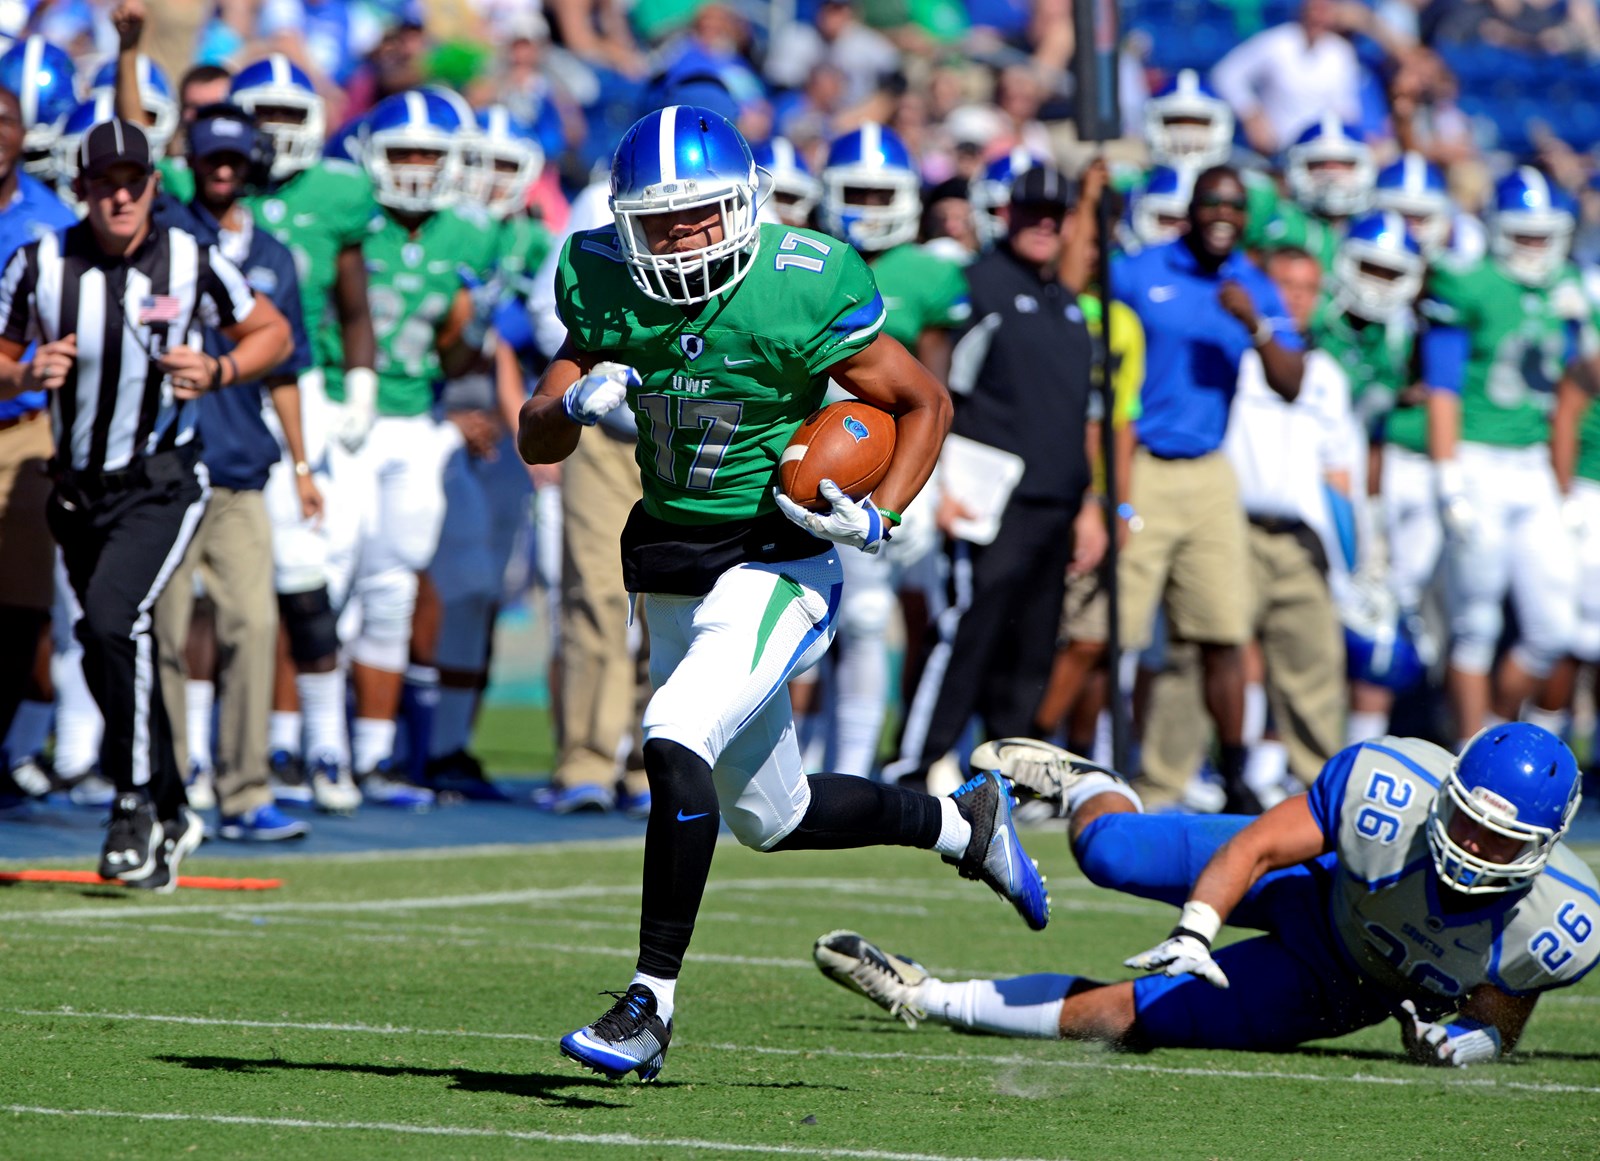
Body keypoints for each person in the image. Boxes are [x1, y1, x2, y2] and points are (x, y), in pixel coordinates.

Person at [519, 104, 1050, 1083]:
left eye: (701, 215)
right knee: (772, 815)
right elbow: (535, 431)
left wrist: (881, 514)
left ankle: (650, 1005)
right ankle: (961, 823)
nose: (680, 238)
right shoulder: (599, 275)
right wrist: (568, 406)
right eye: (660, 220)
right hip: (671, 564)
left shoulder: (798, 284)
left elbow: (921, 399)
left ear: (747, 207)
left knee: (673, 733)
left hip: (774, 557)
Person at [816, 725, 1596, 1063]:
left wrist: (1471, 1043)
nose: (1471, 844)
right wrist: (1197, 928)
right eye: (1464, 819)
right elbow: (1256, 846)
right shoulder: (1386, 787)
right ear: (1447, 792)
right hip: (1312, 882)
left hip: (1342, 983)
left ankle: (927, 993)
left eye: (1501, 839)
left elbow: (1504, 1006)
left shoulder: (1563, 921)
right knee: (1109, 850)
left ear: (1547, 843)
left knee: (1119, 1018)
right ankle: (1095, 784)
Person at [0, 118, 292, 888]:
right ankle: (172, 803)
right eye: (104, 183)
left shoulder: (192, 258)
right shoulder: (40, 262)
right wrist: (26, 374)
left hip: (162, 479)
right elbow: (0, 354)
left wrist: (222, 368)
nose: (120, 196)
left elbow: (273, 332)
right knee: (107, 650)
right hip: (76, 486)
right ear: (82, 190)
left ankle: (131, 805)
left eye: (134, 182)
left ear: (155, 188)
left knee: (109, 619)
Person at [887, 164, 1099, 790]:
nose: (1042, 224)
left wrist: (1088, 504)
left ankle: (1004, 773)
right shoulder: (976, 287)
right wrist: (940, 480)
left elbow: (1075, 412)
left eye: (1054, 215)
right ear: (1004, 215)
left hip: (1056, 500)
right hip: (987, 494)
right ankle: (915, 760)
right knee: (966, 629)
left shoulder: (1069, 305)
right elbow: (941, 390)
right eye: (1030, 212)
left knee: (1033, 644)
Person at [323, 88, 498, 807]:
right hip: (340, 409)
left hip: (415, 417)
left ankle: (371, 757)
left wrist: (468, 331)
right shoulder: (348, 212)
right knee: (327, 579)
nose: (419, 167)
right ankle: (312, 747)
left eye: (431, 152)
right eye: (403, 152)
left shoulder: (470, 234)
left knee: (393, 589)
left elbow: (459, 357)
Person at [1112, 165, 1305, 814]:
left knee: (1224, 628)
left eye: (1235, 204)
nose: (1224, 212)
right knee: (1122, 628)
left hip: (1210, 468)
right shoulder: (1142, 269)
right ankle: (1107, 760)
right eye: (1212, 202)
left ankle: (1238, 769)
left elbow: (1291, 380)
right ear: (1190, 211)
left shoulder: (1250, 284)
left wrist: (1255, 324)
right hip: (1141, 460)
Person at [150, 104, 317, 841]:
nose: (222, 169)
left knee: (253, 622)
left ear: (251, 164)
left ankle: (245, 790)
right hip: (167, 460)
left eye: (233, 158)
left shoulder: (276, 255)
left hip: (244, 465)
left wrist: (304, 462)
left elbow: (285, 366)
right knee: (162, 630)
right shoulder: (161, 236)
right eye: (209, 158)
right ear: (191, 160)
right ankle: (163, 787)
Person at [228, 51, 378, 811]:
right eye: (261, 115)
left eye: (288, 114)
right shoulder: (203, 181)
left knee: (307, 565)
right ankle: (209, 756)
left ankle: (326, 745)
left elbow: (354, 304)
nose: (274, 131)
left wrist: (361, 383)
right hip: (219, 390)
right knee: (210, 580)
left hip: (300, 388)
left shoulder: (340, 190)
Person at [1425, 168, 1589, 744]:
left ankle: (1494, 738)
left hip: (1534, 466)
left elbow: (1581, 383)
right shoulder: (1469, 282)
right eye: (1523, 235)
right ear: (1497, 231)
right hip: (1478, 459)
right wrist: (1448, 476)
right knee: (1475, 624)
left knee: (1552, 627)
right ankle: (1469, 750)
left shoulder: (1569, 287)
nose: (1535, 248)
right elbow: (1442, 384)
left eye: (1543, 235)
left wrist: (1584, 331)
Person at [0, 82, 78, 799]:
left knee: (23, 596)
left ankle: (8, 743)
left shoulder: (54, 221)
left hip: (23, 426)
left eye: (6, 120)